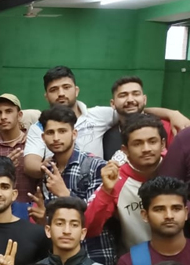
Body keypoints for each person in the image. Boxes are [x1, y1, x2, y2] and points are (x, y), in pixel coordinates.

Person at [22, 65, 185, 179]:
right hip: (58, 185)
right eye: (54, 90)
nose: (61, 93)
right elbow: (30, 164)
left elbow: (131, 109)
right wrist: (48, 168)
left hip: (99, 186)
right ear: (46, 96)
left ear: (76, 91)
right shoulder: (39, 127)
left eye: (66, 87)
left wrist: (171, 113)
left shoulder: (98, 115)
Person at [37, 106, 116, 265]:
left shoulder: (95, 166)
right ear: (43, 137)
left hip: (95, 256)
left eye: (62, 131)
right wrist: (41, 218)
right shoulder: (47, 170)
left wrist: (64, 194)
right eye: (51, 132)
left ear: (74, 134)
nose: (56, 138)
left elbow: (95, 220)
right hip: (60, 260)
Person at [85, 114, 167, 253]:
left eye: (152, 141)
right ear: (125, 150)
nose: (146, 148)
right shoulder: (116, 177)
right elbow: (88, 228)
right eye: (137, 143)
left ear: (163, 144)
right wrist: (106, 192)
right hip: (137, 258)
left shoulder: (177, 167)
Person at [0, 94, 35, 203]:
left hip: (31, 207)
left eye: (8, 111)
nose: (3, 117)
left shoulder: (33, 142)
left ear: (19, 115)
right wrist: (3, 167)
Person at [102, 76, 173, 160]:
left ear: (144, 99)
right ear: (113, 104)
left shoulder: (168, 128)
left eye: (136, 94)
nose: (130, 100)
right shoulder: (107, 137)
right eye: (123, 95)